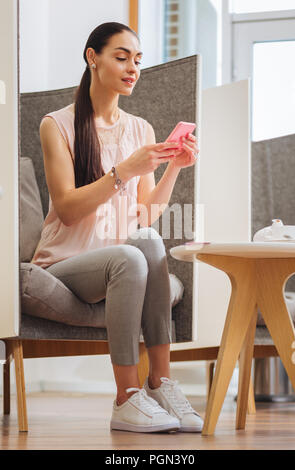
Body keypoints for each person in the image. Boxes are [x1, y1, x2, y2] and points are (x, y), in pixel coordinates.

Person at [30, 22, 202, 434]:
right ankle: (126, 398)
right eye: (121, 57)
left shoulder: (140, 128)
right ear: (93, 57)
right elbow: (68, 210)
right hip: (66, 262)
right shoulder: (56, 124)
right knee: (129, 253)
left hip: (121, 260)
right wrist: (123, 171)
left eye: (138, 61)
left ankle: (160, 383)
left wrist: (172, 170)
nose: (132, 68)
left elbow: (144, 215)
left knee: (145, 238)